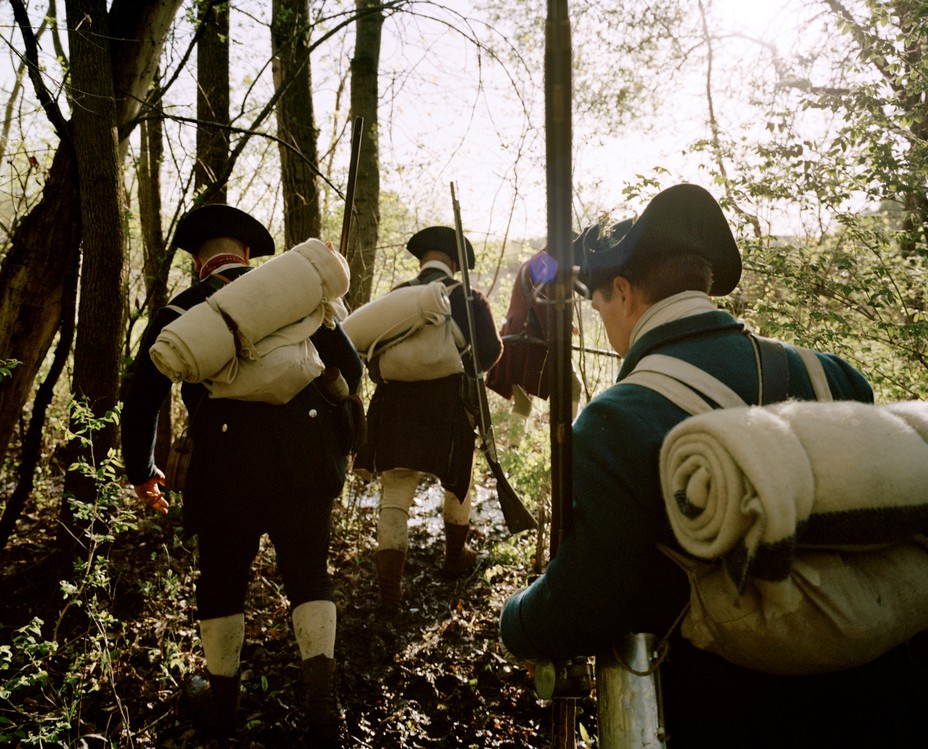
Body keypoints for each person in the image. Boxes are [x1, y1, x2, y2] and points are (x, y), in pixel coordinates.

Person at [499, 184, 928, 746]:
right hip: (882, 700)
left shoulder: (613, 424)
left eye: (600, 304)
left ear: (623, 292)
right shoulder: (835, 376)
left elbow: (586, 606)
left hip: (734, 713)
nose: (603, 319)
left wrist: (517, 619)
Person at [121, 203, 362, 746]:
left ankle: (222, 702)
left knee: (222, 583)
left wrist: (143, 471)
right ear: (250, 255)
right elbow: (352, 368)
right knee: (309, 576)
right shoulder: (296, 302)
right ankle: (322, 703)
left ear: (197, 261)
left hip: (224, 467)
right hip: (305, 456)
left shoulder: (182, 314)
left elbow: (141, 403)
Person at [355, 226, 502, 609]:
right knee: (458, 482)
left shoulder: (396, 297)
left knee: (396, 494)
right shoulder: (468, 296)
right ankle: (455, 561)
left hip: (397, 406)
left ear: (422, 260)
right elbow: (491, 350)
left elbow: (370, 351)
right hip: (448, 406)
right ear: (455, 264)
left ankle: (390, 590)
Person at [486, 248, 582, 447]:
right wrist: (559, 334)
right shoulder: (545, 262)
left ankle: (513, 447)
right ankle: (570, 443)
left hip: (516, 339)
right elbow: (542, 303)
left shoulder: (532, 262)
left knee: (523, 401)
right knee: (573, 386)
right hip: (528, 343)